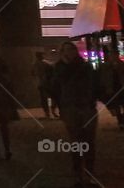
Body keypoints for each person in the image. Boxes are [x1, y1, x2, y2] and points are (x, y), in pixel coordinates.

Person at [52, 41, 99, 184]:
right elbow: (56, 86)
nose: (69, 53)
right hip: (69, 107)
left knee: (89, 141)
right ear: (63, 53)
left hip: (86, 107)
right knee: (76, 142)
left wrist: (92, 101)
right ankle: (78, 173)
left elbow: (94, 84)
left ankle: (89, 174)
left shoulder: (85, 66)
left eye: (71, 50)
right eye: (66, 50)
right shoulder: (59, 67)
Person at [98, 46, 124, 129]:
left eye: (115, 54)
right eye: (112, 54)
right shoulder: (105, 66)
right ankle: (120, 121)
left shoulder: (122, 64)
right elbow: (103, 78)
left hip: (121, 87)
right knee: (116, 106)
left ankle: (121, 120)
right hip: (112, 88)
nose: (114, 56)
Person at [33, 51, 55, 119]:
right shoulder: (45, 64)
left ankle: (47, 113)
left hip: (40, 83)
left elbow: (33, 73)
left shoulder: (35, 64)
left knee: (44, 99)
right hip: (46, 83)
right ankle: (52, 111)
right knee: (52, 97)